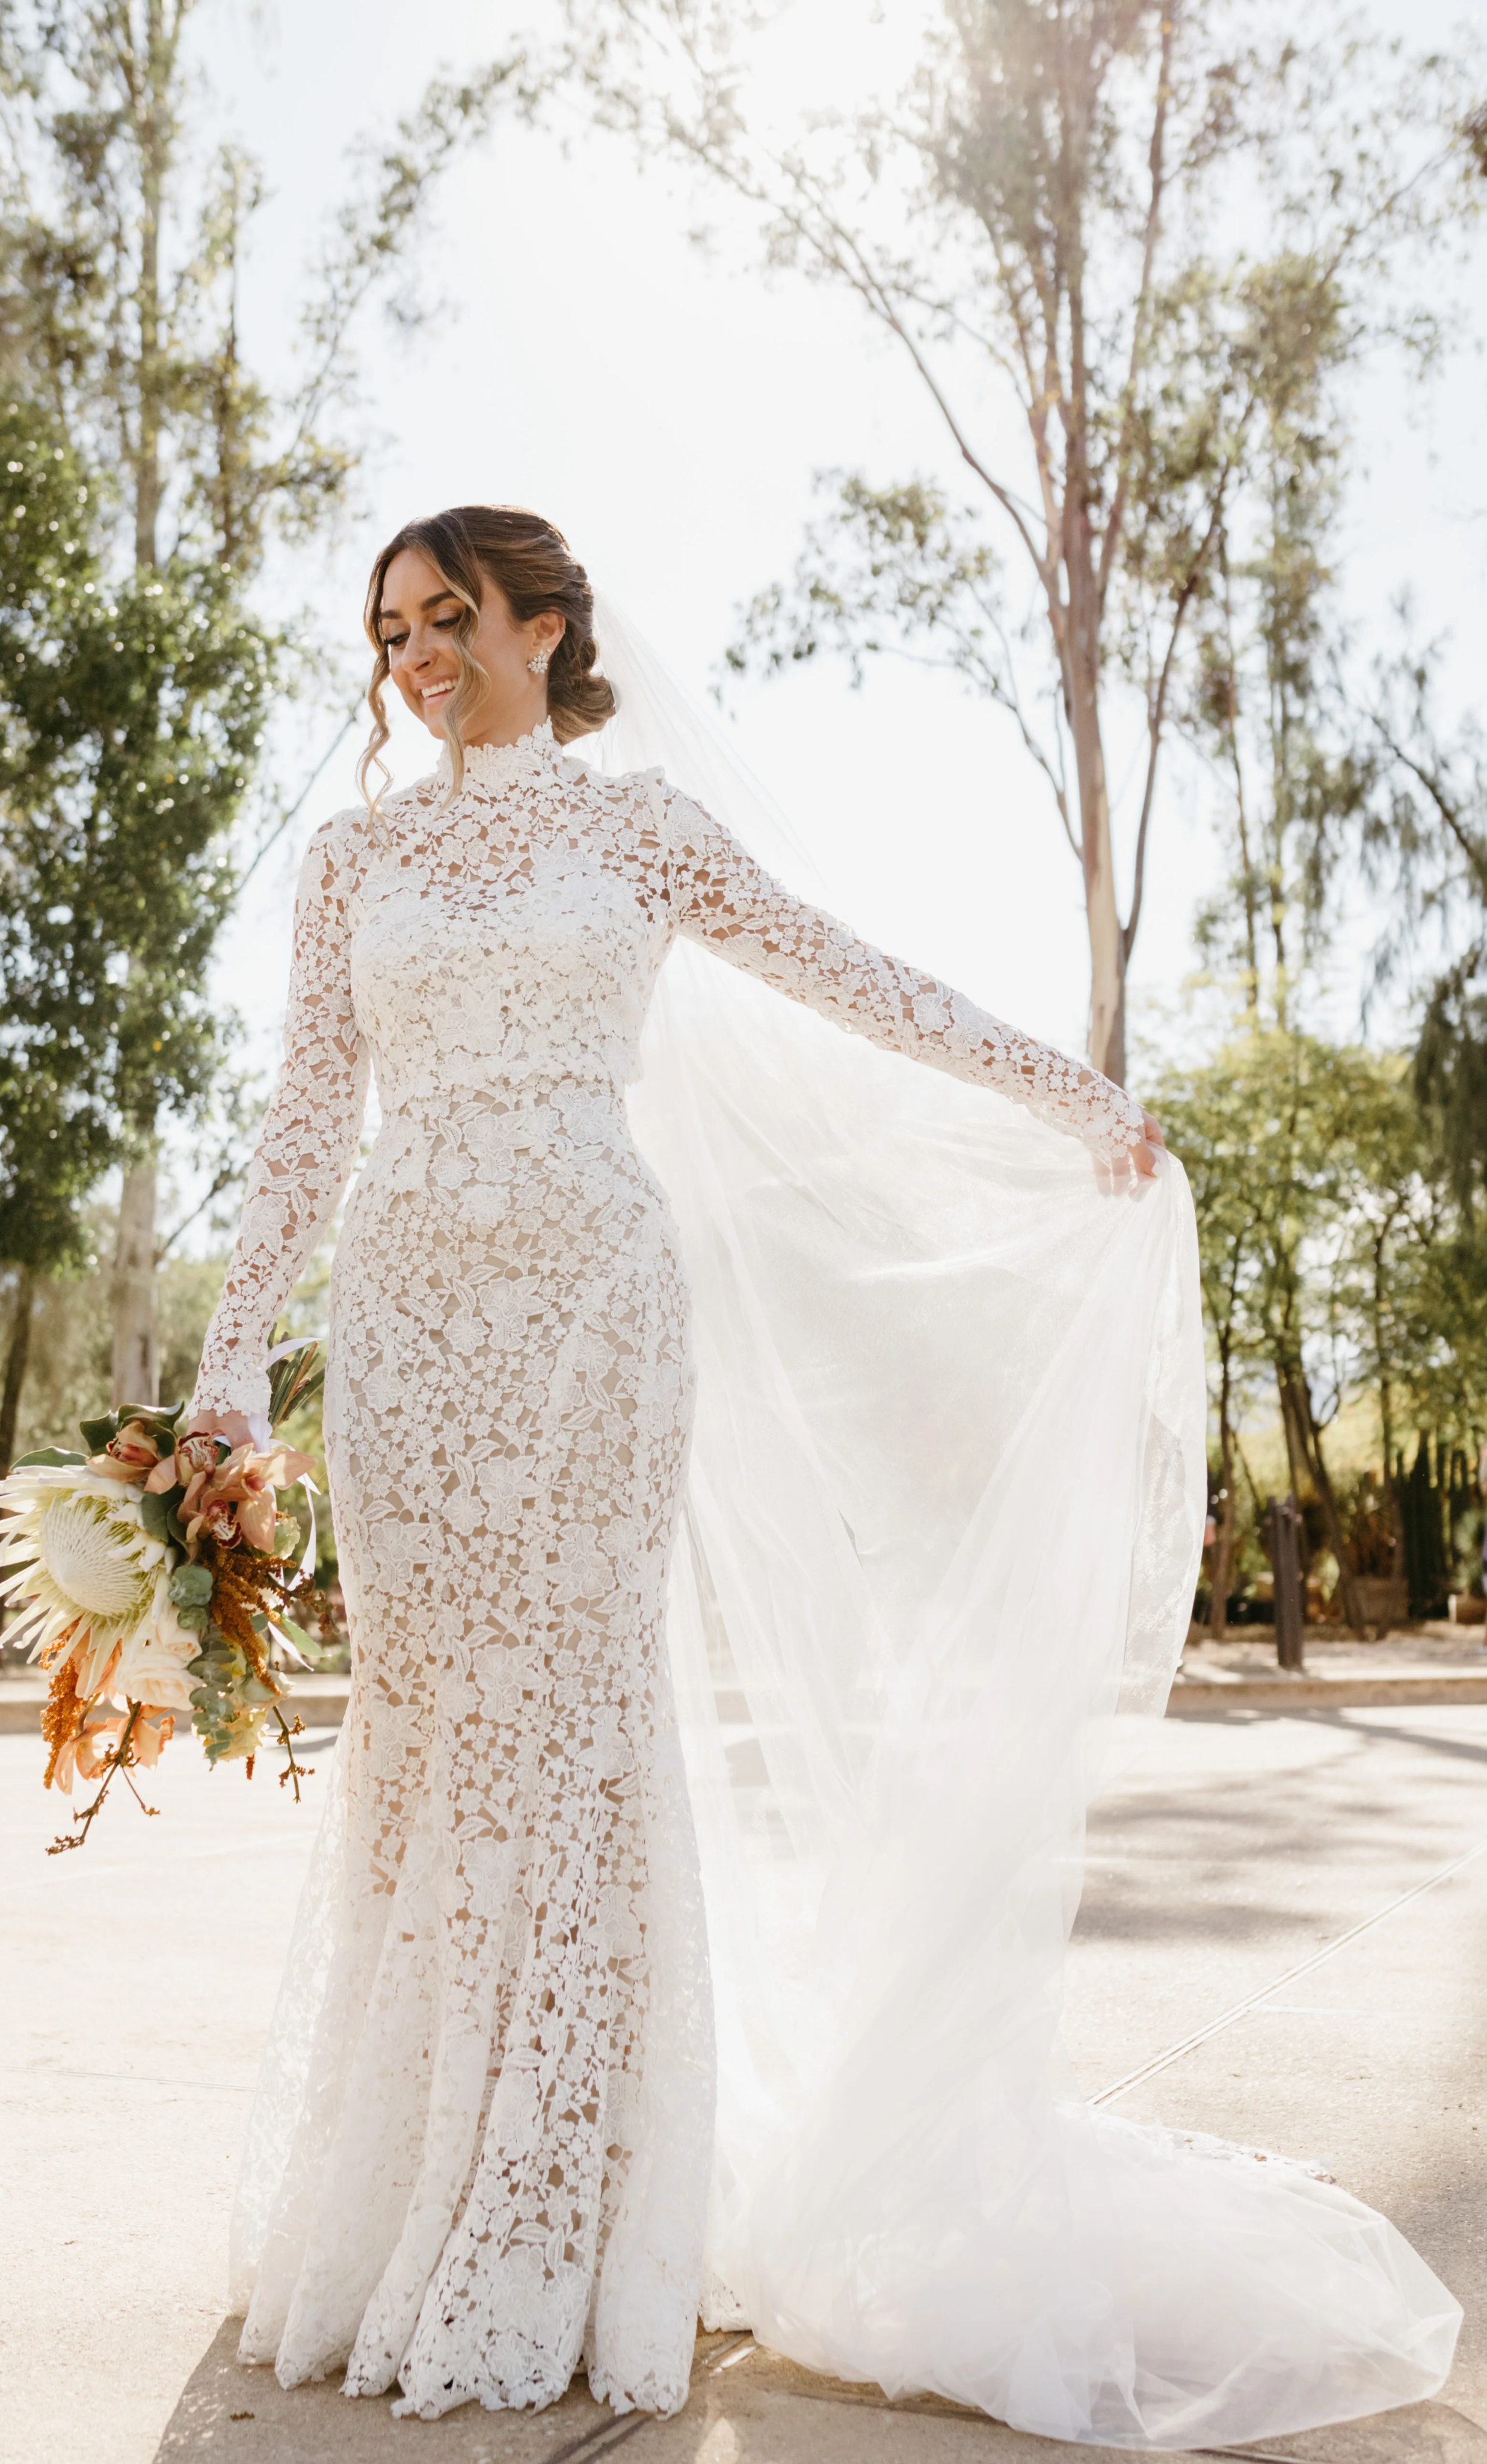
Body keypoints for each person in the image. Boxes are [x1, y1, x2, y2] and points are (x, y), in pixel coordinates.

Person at [189, 505, 1458, 2444]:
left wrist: (1071, 1094)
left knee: (580, 1727)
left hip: (595, 1306)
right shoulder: (350, 860)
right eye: (392, 632)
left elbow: (856, 979)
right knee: (428, 1733)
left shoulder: (643, 829)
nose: (417, 658)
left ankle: (569, 2210)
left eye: (449, 616)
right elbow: (301, 1122)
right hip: (409, 1324)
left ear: (546, 627)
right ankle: (412, 2192)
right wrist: (226, 1372)